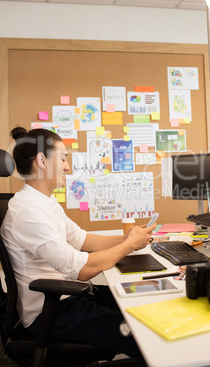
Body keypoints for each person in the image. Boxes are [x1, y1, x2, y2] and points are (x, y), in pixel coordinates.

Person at [2, 127, 156, 365]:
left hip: (70, 299)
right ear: (42, 160)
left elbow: (81, 239)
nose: (67, 167)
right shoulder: (27, 212)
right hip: (53, 312)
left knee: (144, 304)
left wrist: (128, 240)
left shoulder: (45, 203)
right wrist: (128, 245)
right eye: (63, 158)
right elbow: (81, 270)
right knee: (145, 336)